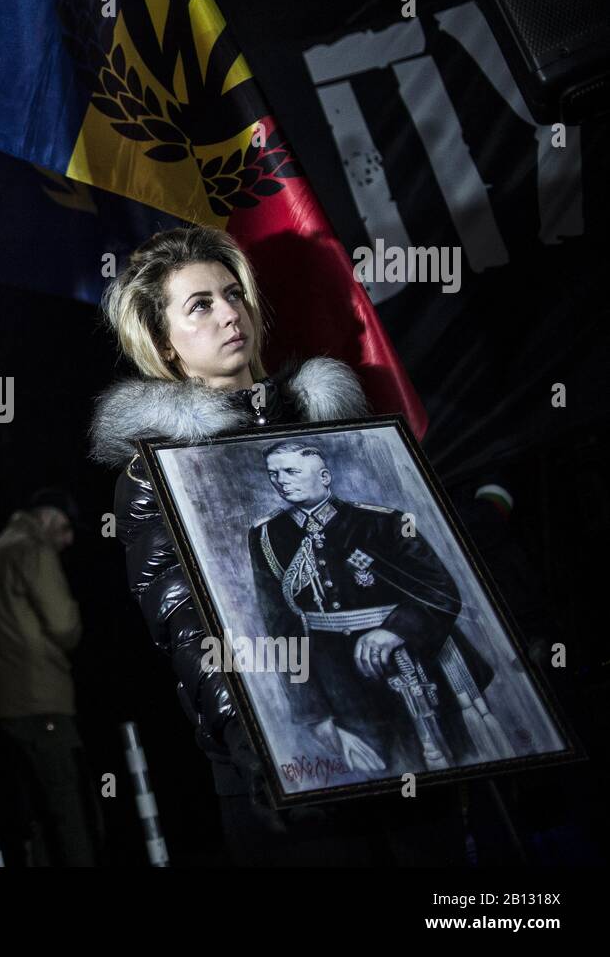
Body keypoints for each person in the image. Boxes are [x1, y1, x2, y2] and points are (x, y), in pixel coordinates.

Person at [89, 225, 466, 866]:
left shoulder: (340, 429)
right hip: (285, 738)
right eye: (199, 305)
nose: (229, 313)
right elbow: (186, 622)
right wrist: (260, 740)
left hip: (404, 714)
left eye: (233, 294)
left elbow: (424, 568)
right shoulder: (154, 470)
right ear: (165, 343)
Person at [249, 439, 501, 775]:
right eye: (273, 474)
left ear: (324, 476)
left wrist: (394, 630)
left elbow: (440, 590)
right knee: (383, 780)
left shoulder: (383, 523)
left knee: (454, 766)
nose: (281, 481)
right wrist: (313, 712)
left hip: (409, 663)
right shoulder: (266, 536)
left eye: (291, 471)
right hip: (337, 682)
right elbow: (280, 625)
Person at [0, 488, 98, 867]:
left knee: (37, 814)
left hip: (7, 702)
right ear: (45, 518)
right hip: (43, 698)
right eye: (63, 527)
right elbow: (63, 625)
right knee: (69, 812)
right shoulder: (34, 548)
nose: (68, 539)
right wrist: (76, 616)